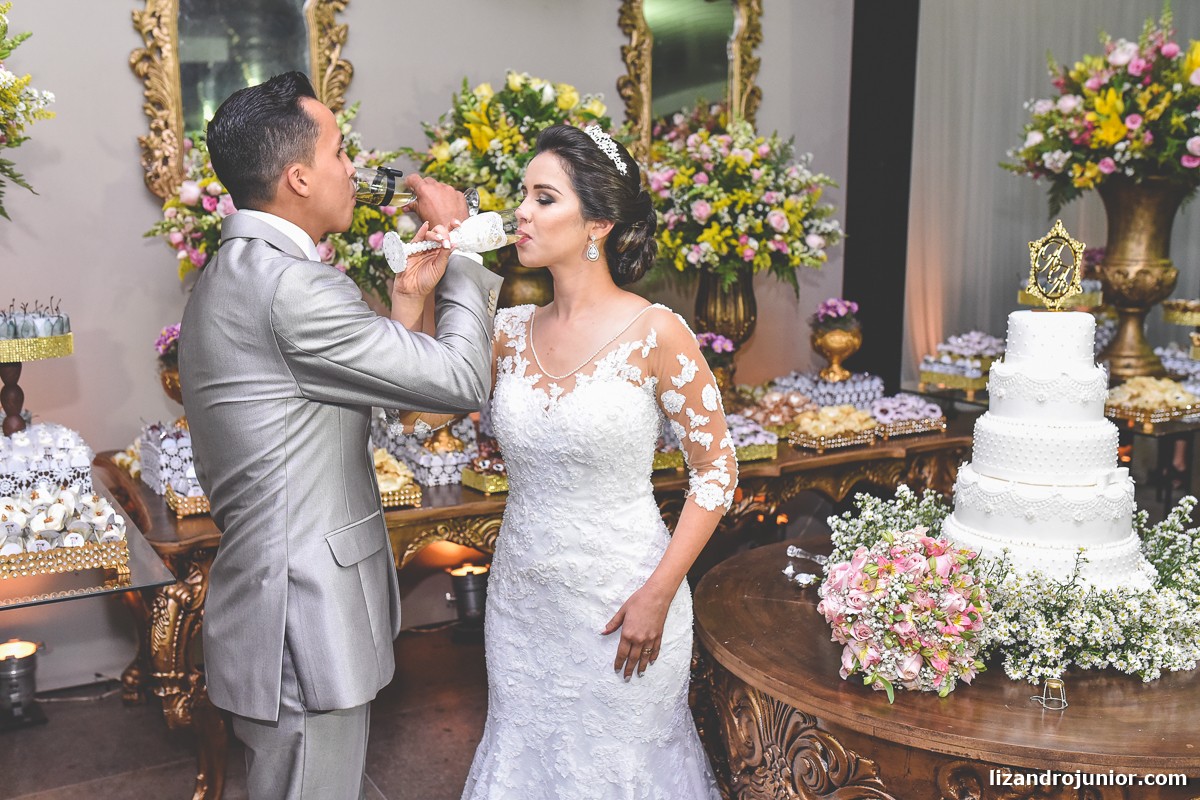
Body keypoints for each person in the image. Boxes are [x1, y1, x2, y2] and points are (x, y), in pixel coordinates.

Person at [178, 71, 502, 800]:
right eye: (338, 152)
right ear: (297, 176)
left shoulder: (235, 273)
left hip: (276, 601)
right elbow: (459, 382)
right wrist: (468, 247)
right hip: (302, 610)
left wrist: (408, 304)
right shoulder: (292, 286)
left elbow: (335, 404)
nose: (353, 168)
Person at [399, 123, 737, 797]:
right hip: (523, 609)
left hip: (628, 601)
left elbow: (717, 475)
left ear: (598, 223)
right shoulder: (506, 334)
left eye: (543, 197)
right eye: (523, 194)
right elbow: (415, 416)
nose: (520, 211)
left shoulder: (657, 333)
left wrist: (659, 593)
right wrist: (411, 302)